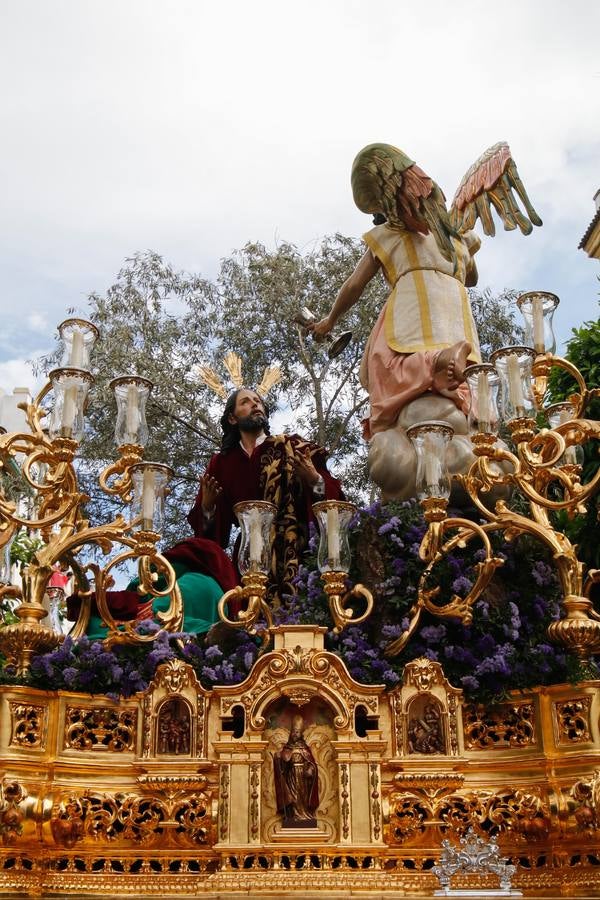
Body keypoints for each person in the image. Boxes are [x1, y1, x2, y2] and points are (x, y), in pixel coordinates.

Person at [311, 143, 482, 440]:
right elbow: (472, 279)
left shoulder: (389, 234)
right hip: (455, 318)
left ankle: (440, 362)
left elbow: (354, 284)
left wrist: (330, 320)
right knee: (464, 382)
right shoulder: (458, 235)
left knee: (387, 367)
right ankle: (454, 383)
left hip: (412, 311)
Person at [187, 387, 343, 598]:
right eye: (245, 402)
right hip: (249, 561)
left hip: (295, 552)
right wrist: (207, 506)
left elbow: (334, 498)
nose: (255, 404)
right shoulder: (222, 464)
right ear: (232, 419)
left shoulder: (293, 447)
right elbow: (212, 536)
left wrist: (314, 480)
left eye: (257, 401)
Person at [273, 713, 319, 827]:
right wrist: (279, 759)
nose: (295, 734)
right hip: (291, 776)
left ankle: (304, 814)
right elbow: (283, 763)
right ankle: (293, 815)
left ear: (301, 733)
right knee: (293, 797)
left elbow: (312, 763)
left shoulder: (305, 748)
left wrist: (310, 769)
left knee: (302, 796)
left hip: (303, 777)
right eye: (293, 731)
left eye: (297, 732)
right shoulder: (287, 748)